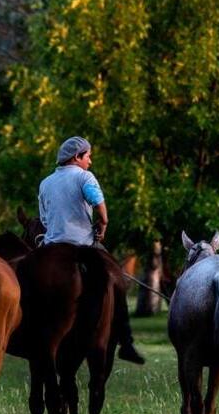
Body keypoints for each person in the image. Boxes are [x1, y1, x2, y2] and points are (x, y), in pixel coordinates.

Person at [38, 136, 145, 365]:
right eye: (88, 156)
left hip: (52, 245)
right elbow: (98, 203)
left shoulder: (45, 183)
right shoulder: (84, 177)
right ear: (77, 157)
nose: (91, 161)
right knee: (116, 278)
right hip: (83, 243)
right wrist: (103, 223)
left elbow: (45, 219)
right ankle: (126, 342)